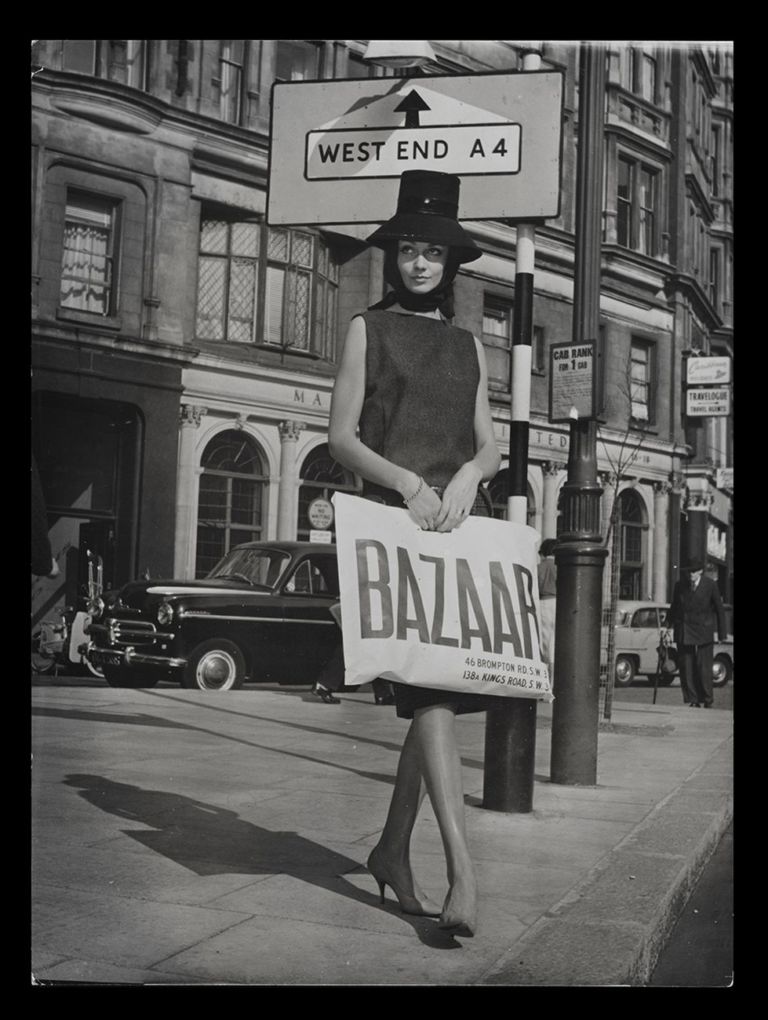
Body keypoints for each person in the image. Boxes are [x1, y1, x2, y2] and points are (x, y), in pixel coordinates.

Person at [328, 170, 501, 937]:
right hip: (394, 531)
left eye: (433, 252)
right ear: (393, 255)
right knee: (430, 697)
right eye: (409, 251)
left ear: (451, 263)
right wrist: (407, 484)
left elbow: (491, 445)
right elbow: (341, 439)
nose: (420, 264)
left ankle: (393, 849)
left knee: (436, 695)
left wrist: (469, 473)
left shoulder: (469, 345)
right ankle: (464, 875)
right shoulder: (369, 327)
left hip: (460, 532)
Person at [666, 557, 727, 709]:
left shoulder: (710, 585)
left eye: (693, 572)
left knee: (703, 667)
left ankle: (707, 698)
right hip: (684, 631)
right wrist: (667, 626)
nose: (690, 575)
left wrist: (721, 634)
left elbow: (719, 610)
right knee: (686, 668)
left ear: (700, 571)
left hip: (703, 631)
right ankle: (692, 699)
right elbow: (674, 607)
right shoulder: (680, 585)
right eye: (687, 572)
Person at [537, 538, 557, 679]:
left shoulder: (540, 567)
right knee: (554, 641)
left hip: (544, 602)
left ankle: (546, 679)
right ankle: (554, 679)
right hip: (558, 603)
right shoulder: (559, 566)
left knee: (545, 641)